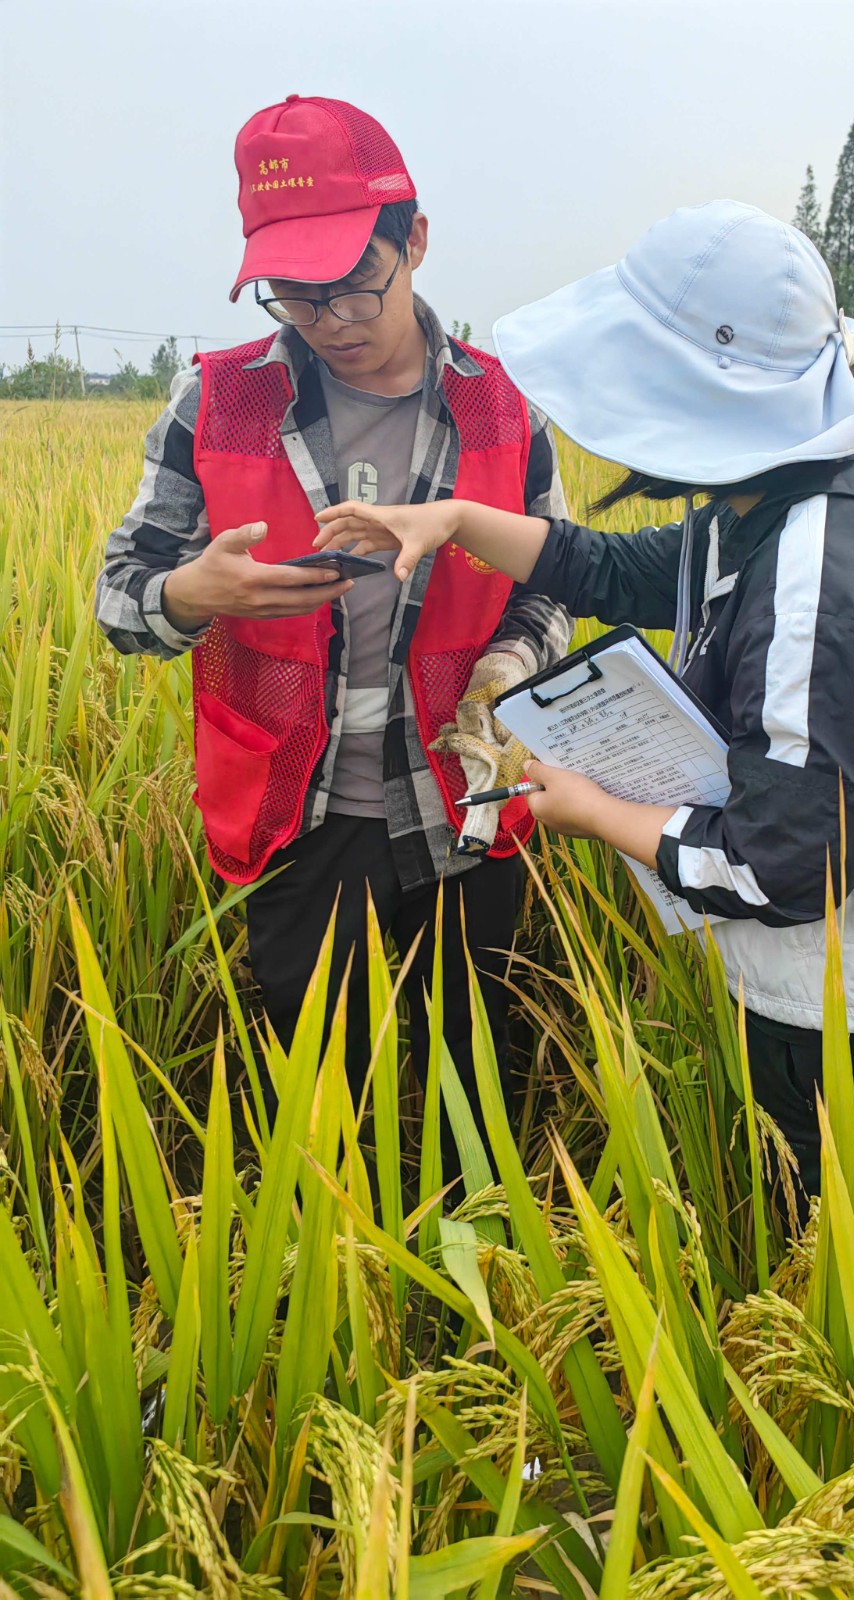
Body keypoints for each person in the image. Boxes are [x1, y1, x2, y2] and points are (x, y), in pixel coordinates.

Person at [310, 200, 854, 1422]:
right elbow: (629, 570)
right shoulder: (779, 487)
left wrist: (589, 806)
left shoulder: (827, 571)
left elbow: (795, 865)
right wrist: (452, 522)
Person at [95, 95, 572, 1144]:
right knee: (315, 1122)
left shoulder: (503, 407)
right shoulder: (215, 401)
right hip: (296, 821)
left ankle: (471, 1296)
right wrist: (188, 597)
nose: (335, 320)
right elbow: (117, 592)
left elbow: (555, 585)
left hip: (467, 810)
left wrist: (503, 670)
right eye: (297, 297)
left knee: (472, 1106)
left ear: (417, 240)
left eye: (358, 282)